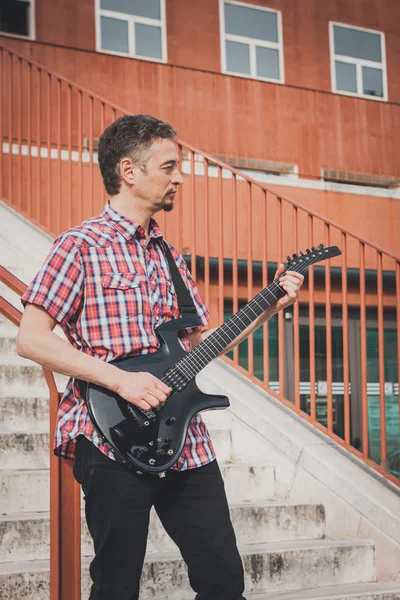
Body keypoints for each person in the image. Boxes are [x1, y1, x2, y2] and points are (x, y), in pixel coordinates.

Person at [17, 114, 304, 600]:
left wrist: (268, 304)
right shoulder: (80, 245)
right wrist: (120, 381)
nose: (180, 177)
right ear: (129, 171)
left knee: (222, 579)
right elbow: (32, 339)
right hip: (109, 435)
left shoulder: (170, 256)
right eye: (170, 166)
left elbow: (199, 344)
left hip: (183, 439)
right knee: (117, 585)